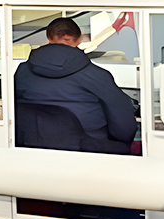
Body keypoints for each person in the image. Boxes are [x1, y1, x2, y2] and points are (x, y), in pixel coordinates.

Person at [14, 16, 138, 153]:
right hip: (88, 150)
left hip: (31, 145)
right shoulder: (96, 75)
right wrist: (122, 143)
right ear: (79, 38)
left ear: (48, 37)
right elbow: (123, 120)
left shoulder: (22, 72)